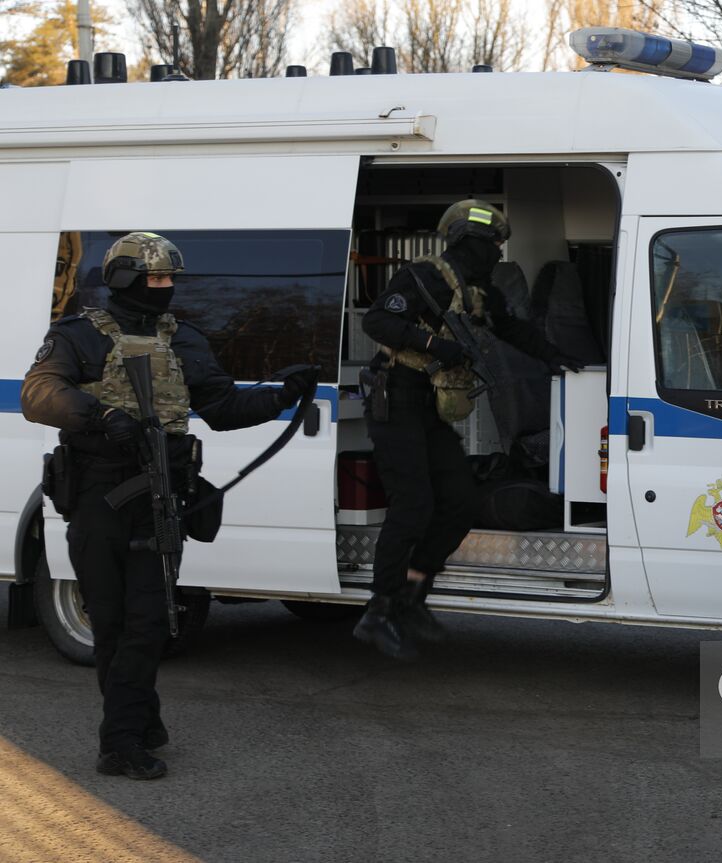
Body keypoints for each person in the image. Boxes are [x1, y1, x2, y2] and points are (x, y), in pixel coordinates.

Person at [21, 232, 317, 780]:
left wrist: (281, 394)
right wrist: (101, 416)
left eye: (169, 280)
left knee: (150, 621)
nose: (166, 289)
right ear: (126, 279)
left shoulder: (184, 341)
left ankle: (123, 738)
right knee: (111, 622)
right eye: (156, 279)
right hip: (97, 496)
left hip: (162, 493)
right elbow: (38, 393)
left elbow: (223, 407)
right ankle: (134, 725)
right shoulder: (79, 335)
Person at [354, 200, 581, 660]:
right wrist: (435, 344)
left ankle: (413, 595)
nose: (499, 251)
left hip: (429, 407)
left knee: (460, 502)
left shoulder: (478, 290)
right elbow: (379, 320)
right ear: (469, 241)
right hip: (395, 398)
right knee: (413, 505)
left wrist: (556, 357)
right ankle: (378, 613)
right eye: (494, 243)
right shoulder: (422, 276)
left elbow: (510, 328)